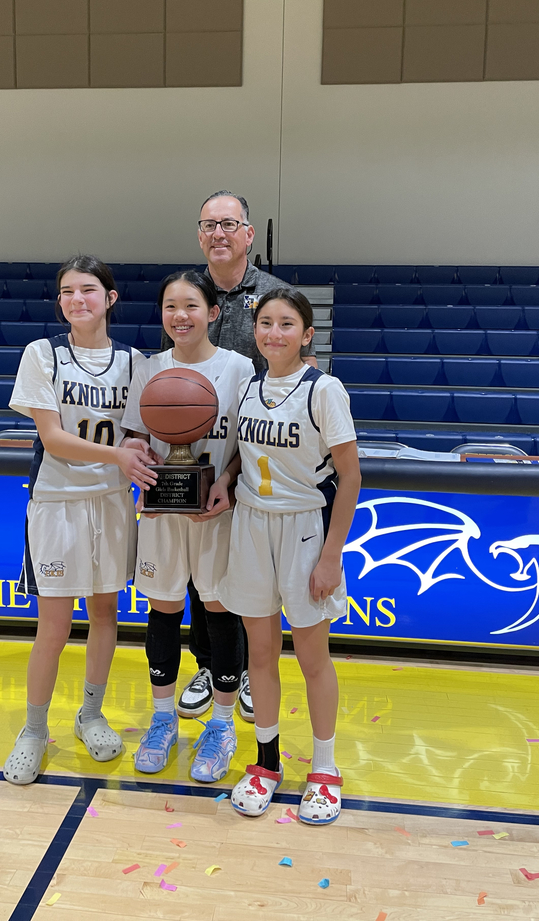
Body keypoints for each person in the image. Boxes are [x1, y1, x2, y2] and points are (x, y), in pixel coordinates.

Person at [3, 255, 159, 785]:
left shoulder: (135, 362)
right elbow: (51, 437)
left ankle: (90, 714)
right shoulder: (42, 354)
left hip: (112, 502)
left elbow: (139, 434)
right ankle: (32, 729)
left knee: (106, 614)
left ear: (110, 298)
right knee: (54, 624)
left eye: (88, 289)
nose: (76, 299)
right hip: (57, 501)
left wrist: (137, 454)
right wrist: (119, 455)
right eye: (67, 291)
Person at [165, 191, 318, 722]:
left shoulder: (275, 294)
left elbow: (302, 372)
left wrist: (237, 471)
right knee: (202, 575)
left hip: (255, 459)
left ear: (249, 234)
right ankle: (209, 666)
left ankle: (253, 670)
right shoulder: (188, 293)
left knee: (249, 576)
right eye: (209, 225)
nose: (219, 233)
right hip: (199, 456)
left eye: (229, 224)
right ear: (199, 234)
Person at [218, 288, 360, 824]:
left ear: (307, 334)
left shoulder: (324, 389)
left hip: (305, 528)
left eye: (286, 324)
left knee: (312, 658)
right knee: (259, 655)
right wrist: (226, 480)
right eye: (265, 323)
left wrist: (331, 556)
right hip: (251, 525)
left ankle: (324, 769)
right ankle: (267, 763)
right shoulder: (249, 388)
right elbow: (243, 455)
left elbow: (351, 477)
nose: (273, 333)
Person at [121, 271, 253, 781]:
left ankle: (221, 724)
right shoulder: (148, 368)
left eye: (191, 305)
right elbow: (133, 437)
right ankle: (162, 719)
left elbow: (247, 445)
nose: (180, 315)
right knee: (163, 607)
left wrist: (228, 483)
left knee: (219, 608)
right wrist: (139, 465)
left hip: (216, 511)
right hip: (162, 511)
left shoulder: (238, 368)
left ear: (213, 312)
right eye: (170, 306)